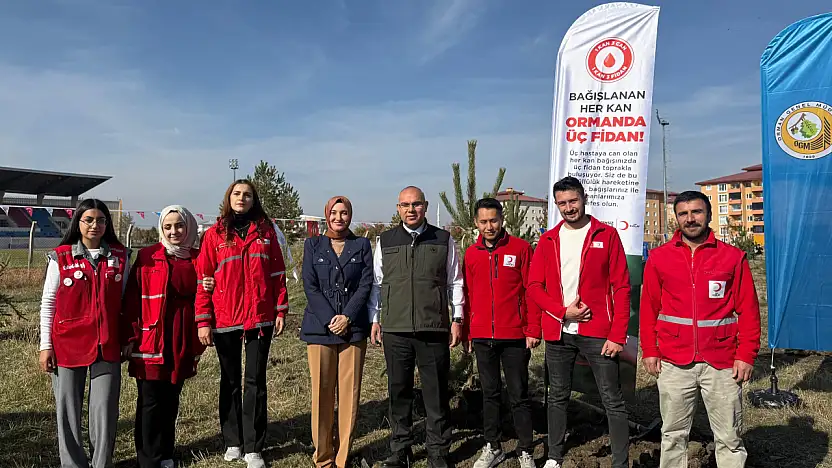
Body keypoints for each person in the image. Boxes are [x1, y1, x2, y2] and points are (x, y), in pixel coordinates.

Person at [640, 191, 760, 468]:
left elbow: (749, 310)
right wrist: (650, 350)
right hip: (673, 361)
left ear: (708, 215)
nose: (690, 219)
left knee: (729, 436)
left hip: (722, 362)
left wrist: (746, 354)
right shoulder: (659, 258)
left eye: (696, 212)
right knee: (672, 435)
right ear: (676, 218)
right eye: (683, 213)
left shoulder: (732, 257)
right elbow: (648, 309)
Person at [527, 176, 631, 468]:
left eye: (573, 201)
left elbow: (621, 287)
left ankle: (620, 462)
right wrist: (562, 312)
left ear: (584, 198)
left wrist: (617, 334)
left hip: (598, 332)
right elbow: (534, 287)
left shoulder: (606, 235)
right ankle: (554, 456)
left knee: (612, 398)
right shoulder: (548, 239)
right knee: (557, 396)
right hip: (559, 333)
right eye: (562, 203)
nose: (568, 208)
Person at [369, 186, 464, 468]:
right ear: (398, 208)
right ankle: (401, 450)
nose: (411, 210)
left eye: (417, 204)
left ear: (425, 206)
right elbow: (377, 283)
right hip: (396, 329)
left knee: (436, 393)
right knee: (399, 392)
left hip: (432, 328)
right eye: (405, 205)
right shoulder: (385, 240)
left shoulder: (443, 239)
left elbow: (455, 281)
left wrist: (457, 319)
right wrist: (375, 319)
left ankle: (438, 451)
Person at [195, 180, 289, 468]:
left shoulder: (266, 232)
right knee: (231, 381)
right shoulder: (214, 234)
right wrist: (203, 320)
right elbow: (203, 278)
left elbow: (277, 273)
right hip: (225, 317)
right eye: (237, 193)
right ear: (229, 198)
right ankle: (233, 441)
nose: (242, 198)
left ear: (253, 200)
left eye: (247, 195)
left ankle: (254, 447)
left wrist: (281, 309)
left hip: (260, 318)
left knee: (255, 381)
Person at [38, 198, 130, 468]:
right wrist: (46, 345)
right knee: (67, 410)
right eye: (88, 219)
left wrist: (127, 339)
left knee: (104, 409)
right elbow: (48, 302)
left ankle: (102, 463)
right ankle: (73, 463)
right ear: (78, 223)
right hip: (67, 345)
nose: (95, 225)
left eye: (101, 220)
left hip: (107, 344)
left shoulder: (120, 257)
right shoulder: (61, 257)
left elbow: (127, 302)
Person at [122, 205, 215, 468]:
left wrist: (211, 283)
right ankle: (148, 457)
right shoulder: (148, 256)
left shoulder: (199, 258)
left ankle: (166, 452)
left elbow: (210, 293)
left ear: (188, 227)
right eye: (168, 227)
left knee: (172, 396)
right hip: (152, 335)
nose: (174, 231)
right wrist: (129, 335)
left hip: (182, 335)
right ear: (161, 229)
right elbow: (131, 298)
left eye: (179, 226)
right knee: (150, 398)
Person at [463, 198, 540, 468]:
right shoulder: (471, 254)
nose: (489, 226)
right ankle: (492, 446)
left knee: (519, 394)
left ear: (502, 219)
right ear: (476, 223)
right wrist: (469, 334)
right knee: (490, 393)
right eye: (483, 221)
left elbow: (531, 291)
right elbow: (469, 295)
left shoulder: (520, 248)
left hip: (515, 336)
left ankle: (526, 449)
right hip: (483, 335)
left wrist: (532, 328)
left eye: (493, 220)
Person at [301, 196, 374, 468]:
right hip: (320, 329)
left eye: (344, 213)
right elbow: (310, 285)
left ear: (350, 216)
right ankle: (323, 457)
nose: (339, 218)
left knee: (349, 394)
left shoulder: (362, 244)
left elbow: (366, 284)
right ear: (326, 215)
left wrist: (348, 317)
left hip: (352, 330)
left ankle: (342, 456)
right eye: (334, 212)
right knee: (321, 393)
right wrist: (331, 318)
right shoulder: (313, 244)